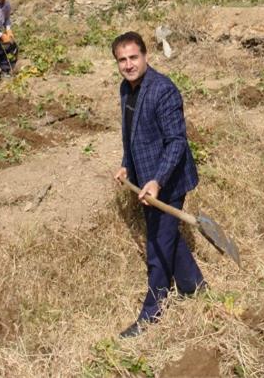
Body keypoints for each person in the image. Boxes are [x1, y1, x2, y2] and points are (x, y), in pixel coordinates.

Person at [111, 31, 205, 338]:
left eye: (133, 57)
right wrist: (127, 163)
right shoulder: (126, 89)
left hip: (170, 181)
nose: (128, 65)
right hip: (144, 180)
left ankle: (152, 312)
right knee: (167, 237)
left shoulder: (163, 90)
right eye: (122, 60)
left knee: (156, 245)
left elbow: (177, 142)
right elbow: (130, 135)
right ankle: (195, 286)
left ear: (145, 56)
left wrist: (157, 181)